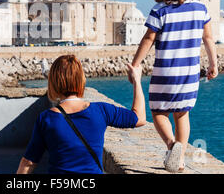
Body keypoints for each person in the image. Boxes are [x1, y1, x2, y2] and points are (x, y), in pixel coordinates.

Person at [130, 0, 218, 173]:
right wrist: (213, 63)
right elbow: (208, 38)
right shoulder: (201, 9)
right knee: (182, 114)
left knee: (159, 113)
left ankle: (171, 145)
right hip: (189, 75)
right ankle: (179, 161)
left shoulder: (160, 10)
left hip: (165, 73)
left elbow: (148, 38)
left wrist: (136, 63)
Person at [17, 54, 146, 174]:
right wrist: (137, 81)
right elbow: (139, 118)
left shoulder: (47, 118)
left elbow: (29, 162)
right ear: (82, 80)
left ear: (53, 83)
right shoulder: (101, 111)